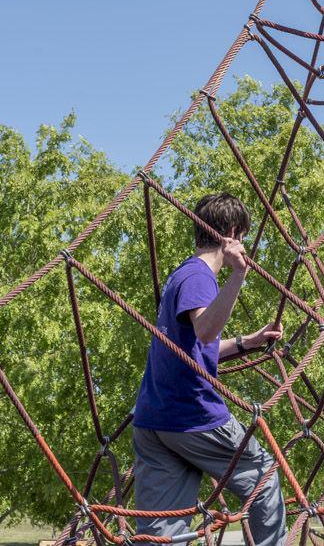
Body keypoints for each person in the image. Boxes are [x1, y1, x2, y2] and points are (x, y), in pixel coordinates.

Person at [133, 192, 287, 546]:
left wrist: (247, 342)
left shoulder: (180, 275)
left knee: (162, 534)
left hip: (154, 421)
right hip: (192, 417)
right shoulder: (201, 277)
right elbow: (205, 329)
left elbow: (194, 347)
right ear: (233, 233)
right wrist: (238, 274)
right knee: (263, 476)